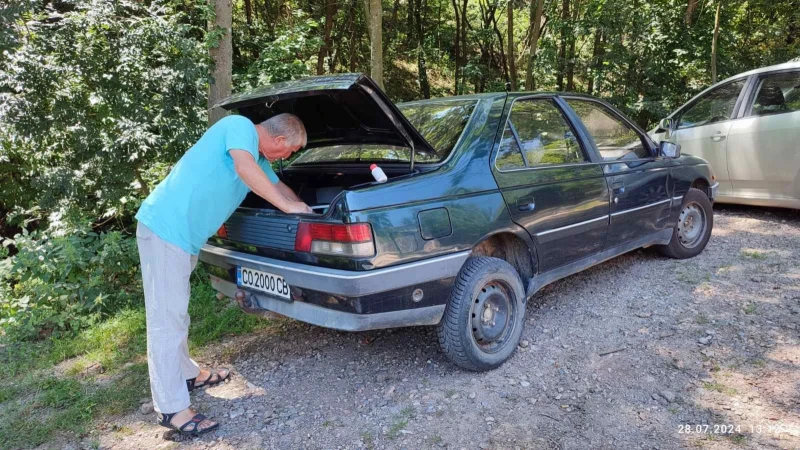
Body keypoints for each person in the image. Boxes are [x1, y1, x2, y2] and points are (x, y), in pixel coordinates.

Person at [135, 113, 313, 436]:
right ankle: (172, 409)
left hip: (182, 237)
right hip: (165, 229)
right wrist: (288, 209)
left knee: (177, 311)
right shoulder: (240, 127)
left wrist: (305, 208)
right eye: (290, 151)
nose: (289, 158)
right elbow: (246, 171)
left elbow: (277, 186)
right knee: (165, 319)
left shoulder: (257, 154)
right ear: (280, 141)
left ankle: (188, 373)